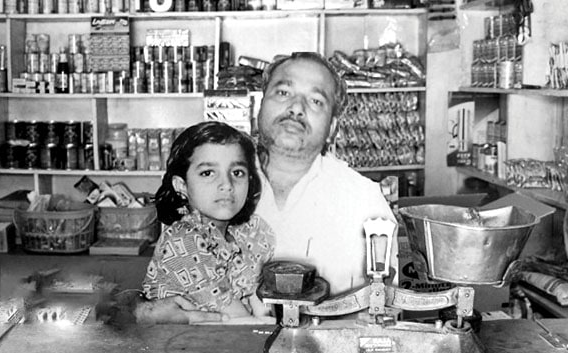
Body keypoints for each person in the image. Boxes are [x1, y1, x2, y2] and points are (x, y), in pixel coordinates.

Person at [254, 51, 397, 296]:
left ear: (332, 128)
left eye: (316, 101)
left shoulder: (364, 201)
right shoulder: (213, 182)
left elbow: (383, 310)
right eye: (283, 92)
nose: (296, 108)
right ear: (259, 106)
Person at [135, 121, 275, 324]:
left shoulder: (245, 234)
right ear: (181, 185)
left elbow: (258, 303)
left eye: (237, 173)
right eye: (208, 173)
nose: (227, 185)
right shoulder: (183, 239)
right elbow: (235, 317)